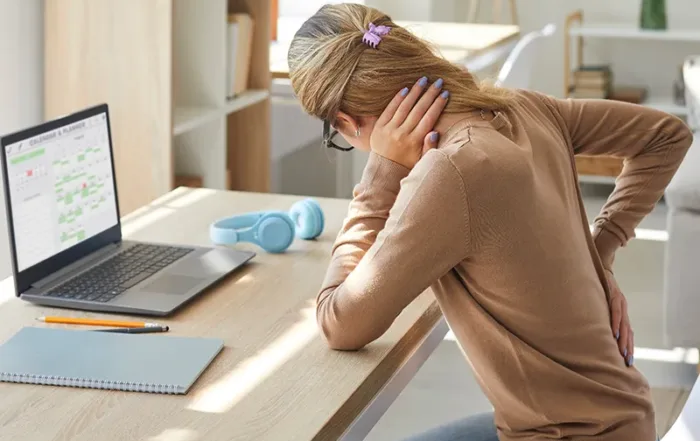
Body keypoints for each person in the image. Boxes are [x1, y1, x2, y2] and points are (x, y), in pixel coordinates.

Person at [287, 4, 693, 441]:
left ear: (345, 121)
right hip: (619, 419)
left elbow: (338, 322)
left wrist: (381, 172)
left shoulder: (449, 173)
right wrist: (601, 253)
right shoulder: (522, 108)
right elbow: (667, 136)